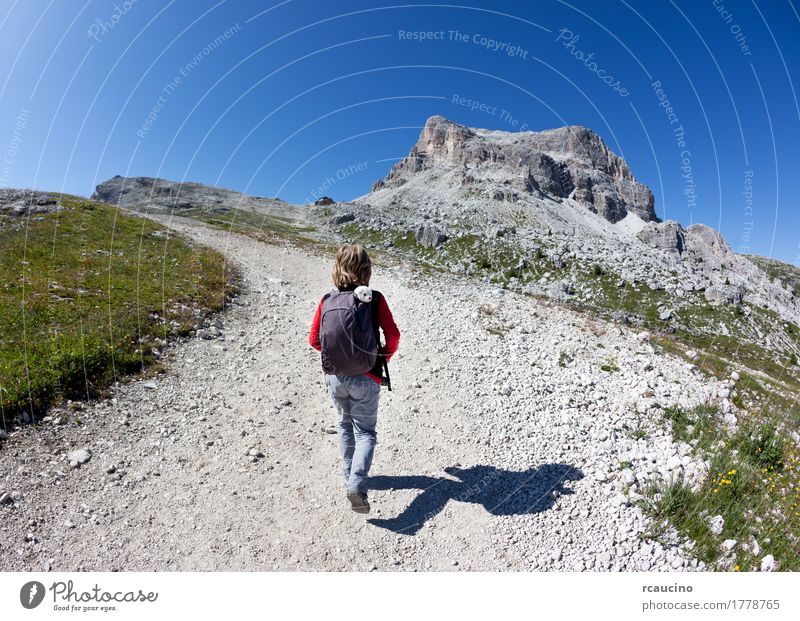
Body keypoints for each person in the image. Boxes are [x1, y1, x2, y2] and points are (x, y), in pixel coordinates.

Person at [308, 244, 400, 513]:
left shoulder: (327, 300)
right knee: (366, 433)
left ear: (337, 268)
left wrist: (340, 355)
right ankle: (357, 485)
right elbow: (393, 336)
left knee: (344, 427)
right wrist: (380, 356)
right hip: (367, 375)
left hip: (335, 377)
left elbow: (314, 340)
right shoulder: (375, 299)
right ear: (366, 269)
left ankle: (349, 478)